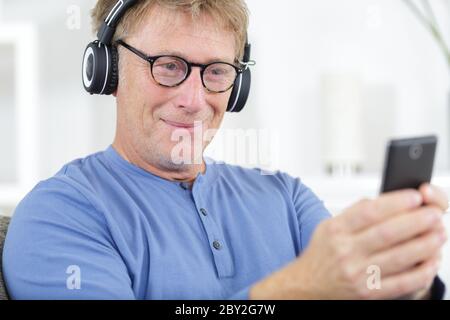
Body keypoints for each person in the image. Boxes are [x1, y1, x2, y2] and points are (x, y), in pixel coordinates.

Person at [2, 0, 448, 300]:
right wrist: (303, 285)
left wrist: (403, 274)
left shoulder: (286, 198)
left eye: (215, 72)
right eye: (169, 66)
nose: (195, 100)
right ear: (108, 71)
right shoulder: (59, 213)